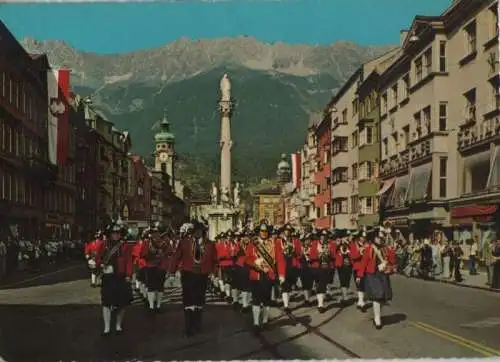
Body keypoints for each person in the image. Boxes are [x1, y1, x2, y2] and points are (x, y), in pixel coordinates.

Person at [169, 220, 217, 337]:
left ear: (203, 232)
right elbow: (176, 257)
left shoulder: (209, 244)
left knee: (199, 300)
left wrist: (214, 273)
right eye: (195, 231)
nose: (197, 233)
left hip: (202, 274)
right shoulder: (184, 242)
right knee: (188, 300)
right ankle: (188, 326)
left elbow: (214, 260)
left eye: (200, 231)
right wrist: (171, 272)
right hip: (188, 274)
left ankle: (197, 324)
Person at [94, 220, 134, 336]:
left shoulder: (125, 246)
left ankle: (118, 325)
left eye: (118, 233)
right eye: (113, 233)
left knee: (122, 303)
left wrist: (128, 275)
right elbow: (97, 258)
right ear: (110, 234)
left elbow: (129, 262)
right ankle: (106, 327)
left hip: (121, 277)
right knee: (106, 302)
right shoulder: (104, 244)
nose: (116, 235)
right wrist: (100, 264)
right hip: (108, 277)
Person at [244, 222, 286, 333]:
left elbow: (280, 259)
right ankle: (256, 323)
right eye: (262, 231)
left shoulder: (274, 243)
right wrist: (254, 262)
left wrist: (281, 274)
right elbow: (247, 259)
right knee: (256, 299)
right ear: (259, 232)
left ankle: (265, 321)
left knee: (267, 300)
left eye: (266, 231)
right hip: (256, 275)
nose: (264, 233)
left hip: (269, 275)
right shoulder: (253, 244)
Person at [357, 226, 396, 330]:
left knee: (384, 297)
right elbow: (364, 262)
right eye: (378, 238)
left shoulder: (386, 249)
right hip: (372, 274)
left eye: (382, 238)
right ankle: (377, 319)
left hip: (383, 274)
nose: (380, 239)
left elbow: (392, 260)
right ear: (374, 238)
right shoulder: (369, 248)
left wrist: (391, 251)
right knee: (377, 296)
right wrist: (360, 275)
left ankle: (377, 314)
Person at [140, 222, 172, 313]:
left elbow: (170, 251)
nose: (156, 234)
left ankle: (158, 305)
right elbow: (142, 254)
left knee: (160, 287)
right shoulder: (147, 242)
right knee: (151, 286)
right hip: (150, 266)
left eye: (157, 232)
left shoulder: (165, 241)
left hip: (161, 266)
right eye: (154, 232)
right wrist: (150, 255)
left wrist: (163, 253)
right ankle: (151, 306)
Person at [307, 229, 335, 313]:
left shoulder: (329, 245)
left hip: (326, 267)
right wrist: (319, 255)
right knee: (320, 285)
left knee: (323, 285)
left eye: (325, 236)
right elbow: (311, 256)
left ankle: (321, 303)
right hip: (316, 268)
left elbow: (333, 256)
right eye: (322, 236)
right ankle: (320, 304)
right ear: (320, 237)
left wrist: (329, 254)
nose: (323, 238)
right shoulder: (315, 244)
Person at [279, 224, 302, 312]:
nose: (287, 232)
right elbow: (276, 254)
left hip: (292, 265)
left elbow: (299, 254)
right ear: (283, 231)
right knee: (284, 285)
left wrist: (294, 252)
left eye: (289, 231)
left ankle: (286, 301)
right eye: (286, 230)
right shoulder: (279, 241)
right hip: (282, 265)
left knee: (290, 285)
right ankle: (286, 305)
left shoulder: (295, 241)